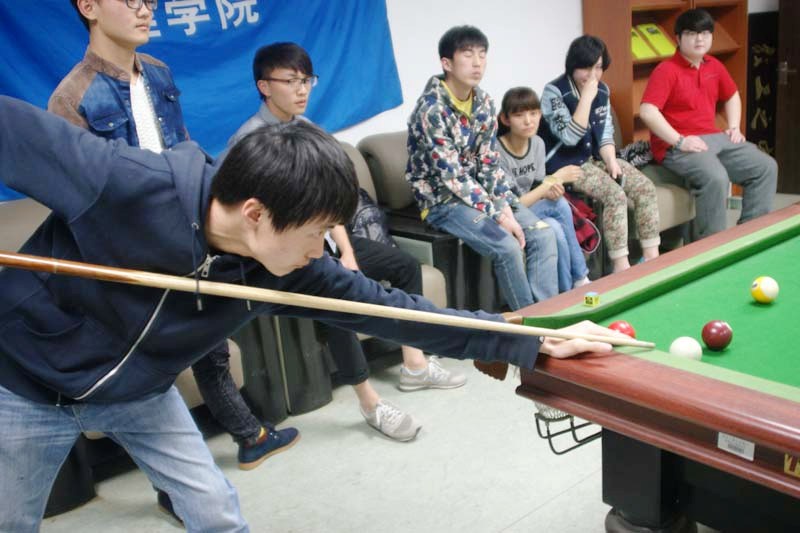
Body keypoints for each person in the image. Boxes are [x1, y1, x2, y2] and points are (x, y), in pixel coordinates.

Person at [0, 94, 618, 531]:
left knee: (216, 514)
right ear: (255, 214)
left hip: (142, 392)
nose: (319, 249)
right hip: (26, 386)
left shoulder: (286, 263)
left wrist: (528, 339)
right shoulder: (125, 181)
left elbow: (393, 311)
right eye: (316, 232)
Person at [49, 0, 298, 522]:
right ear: (88, 7)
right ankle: (179, 481)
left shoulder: (159, 73)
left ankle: (241, 441)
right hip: (126, 260)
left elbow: (181, 151)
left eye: (149, 2)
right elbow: (77, 200)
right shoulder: (71, 98)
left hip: (182, 240)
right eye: (130, 0)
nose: (145, 10)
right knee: (150, 373)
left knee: (208, 348)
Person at [228, 42, 466, 442]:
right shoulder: (249, 143)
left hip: (324, 240)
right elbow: (254, 223)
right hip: (283, 254)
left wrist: (349, 252)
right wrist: (328, 259)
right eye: (291, 81)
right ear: (264, 87)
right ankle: (370, 402)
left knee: (403, 266)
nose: (302, 89)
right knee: (337, 296)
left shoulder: (308, 130)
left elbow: (330, 203)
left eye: (307, 80)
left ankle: (414, 365)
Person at [406, 25, 559, 311]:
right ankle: (530, 326)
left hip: (483, 196)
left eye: (482, 54)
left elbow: (489, 162)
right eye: (467, 55)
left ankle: (548, 314)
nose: (477, 63)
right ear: (447, 63)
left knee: (543, 233)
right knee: (507, 247)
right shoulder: (431, 110)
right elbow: (453, 177)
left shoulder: (484, 103)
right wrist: (499, 214)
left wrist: (502, 204)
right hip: (443, 201)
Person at [639, 8, 777, 240]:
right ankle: (712, 245)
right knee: (716, 178)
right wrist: (679, 141)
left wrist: (734, 127)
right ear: (678, 38)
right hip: (677, 145)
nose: (699, 39)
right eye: (692, 33)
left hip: (714, 138)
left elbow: (732, 95)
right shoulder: (666, 70)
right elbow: (647, 111)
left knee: (765, 167)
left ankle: (750, 236)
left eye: (705, 33)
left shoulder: (714, 65)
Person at [540, 35, 661, 273]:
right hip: (566, 166)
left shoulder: (603, 90)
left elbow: (605, 132)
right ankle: (621, 266)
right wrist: (586, 97)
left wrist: (611, 161)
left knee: (645, 187)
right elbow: (570, 136)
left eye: (598, 67)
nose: (593, 75)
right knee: (615, 195)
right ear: (572, 65)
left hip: (595, 158)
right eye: (586, 68)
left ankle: (651, 258)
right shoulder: (554, 92)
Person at [497, 87, 590, 292]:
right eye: (519, 115)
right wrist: (554, 180)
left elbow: (536, 187)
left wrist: (549, 190)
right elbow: (512, 205)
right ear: (505, 119)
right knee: (560, 205)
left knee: (554, 227)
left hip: (530, 210)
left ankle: (567, 291)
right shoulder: (497, 151)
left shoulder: (537, 143)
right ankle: (581, 277)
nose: (528, 121)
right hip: (507, 215)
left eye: (533, 113)